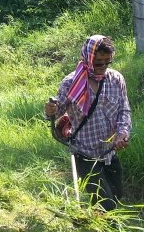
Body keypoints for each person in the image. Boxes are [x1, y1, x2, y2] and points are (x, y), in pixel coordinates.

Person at [44, 35, 131, 211]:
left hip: (109, 153)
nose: (104, 67)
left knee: (117, 198)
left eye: (108, 62)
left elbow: (124, 110)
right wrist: (50, 111)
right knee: (105, 204)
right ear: (89, 58)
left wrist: (122, 133)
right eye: (99, 62)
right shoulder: (71, 83)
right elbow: (56, 112)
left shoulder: (116, 79)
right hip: (84, 154)